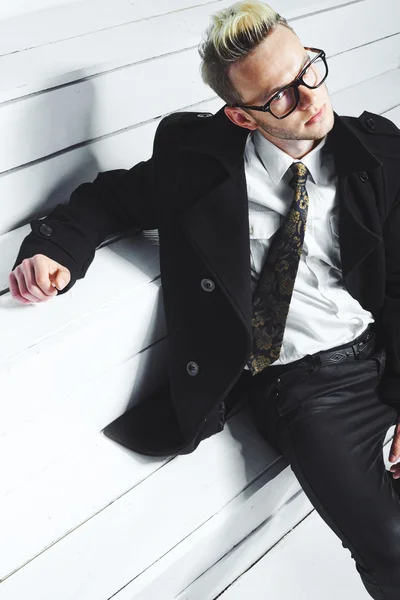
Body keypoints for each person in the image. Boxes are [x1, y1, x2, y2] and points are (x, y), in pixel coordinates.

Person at [9, 2, 400, 595]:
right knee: (392, 543)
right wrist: (54, 249)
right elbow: (111, 199)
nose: (311, 98)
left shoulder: (377, 153)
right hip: (304, 386)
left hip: (381, 350)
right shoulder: (198, 165)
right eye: (279, 97)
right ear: (242, 117)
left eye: (309, 70)